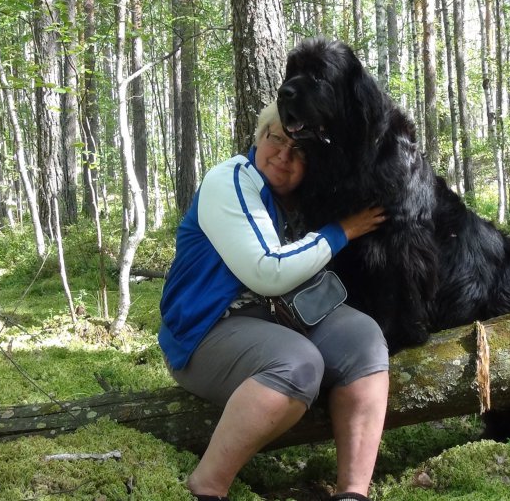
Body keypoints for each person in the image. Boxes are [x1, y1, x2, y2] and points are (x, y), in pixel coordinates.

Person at [158, 101, 390, 501]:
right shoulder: (229, 180)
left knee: (363, 339)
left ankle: (353, 493)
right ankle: (207, 487)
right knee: (298, 364)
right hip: (206, 330)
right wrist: (340, 232)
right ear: (259, 137)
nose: (283, 155)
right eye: (275, 139)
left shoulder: (310, 195)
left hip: (284, 318)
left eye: (299, 149)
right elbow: (266, 271)